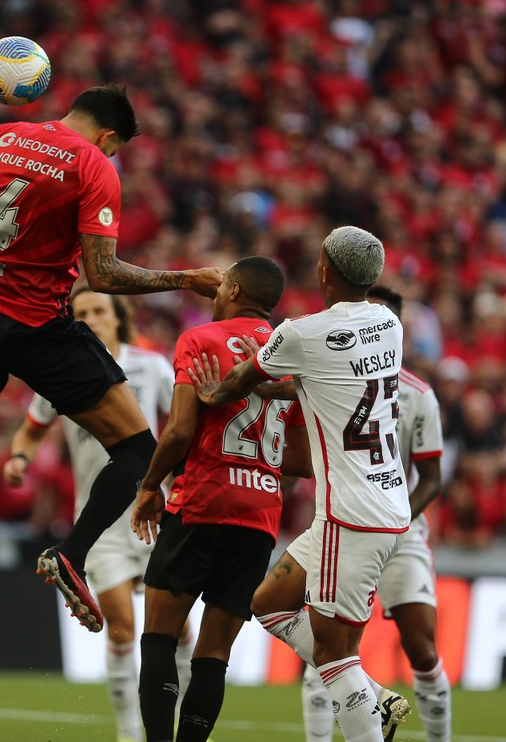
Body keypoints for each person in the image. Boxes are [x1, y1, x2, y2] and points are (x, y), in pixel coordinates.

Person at [0, 84, 222, 632]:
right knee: (138, 451)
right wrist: (187, 279)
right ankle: (72, 555)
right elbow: (103, 275)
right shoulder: (92, 165)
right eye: (115, 149)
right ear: (108, 136)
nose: (111, 157)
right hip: (37, 327)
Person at [189, 227, 411, 742]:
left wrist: (211, 392)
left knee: (335, 656)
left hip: (348, 516)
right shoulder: (389, 324)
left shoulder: (301, 333)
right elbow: (318, 379)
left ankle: (366, 715)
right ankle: (374, 697)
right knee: (266, 602)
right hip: (384, 503)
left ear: (325, 270)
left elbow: (241, 381)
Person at [3, 287, 192, 742]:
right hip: (100, 523)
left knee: (180, 630)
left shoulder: (150, 366)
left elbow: (185, 424)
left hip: (154, 512)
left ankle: (183, 725)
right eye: (81, 312)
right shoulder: (63, 374)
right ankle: (129, 734)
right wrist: (19, 459)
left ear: (117, 316)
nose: (90, 317)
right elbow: (30, 432)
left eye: (98, 310)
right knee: (122, 626)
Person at [130, 256, 294, 742]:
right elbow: (299, 458)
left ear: (236, 290)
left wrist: (148, 486)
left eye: (222, 285)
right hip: (261, 515)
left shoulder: (201, 339)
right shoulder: (289, 356)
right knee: (213, 656)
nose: (215, 293)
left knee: (160, 637)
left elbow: (179, 430)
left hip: (203, 500)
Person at [291, 286, 450, 742]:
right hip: (345, 522)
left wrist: (401, 517)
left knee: (421, 647)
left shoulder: (420, 396)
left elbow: (432, 479)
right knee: (328, 645)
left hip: (403, 531)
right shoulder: (328, 378)